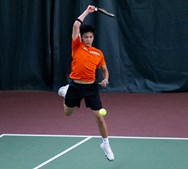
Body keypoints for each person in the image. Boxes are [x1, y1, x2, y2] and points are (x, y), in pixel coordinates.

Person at [58, 5, 114, 161]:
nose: (88, 39)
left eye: (91, 37)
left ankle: (106, 144)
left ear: (93, 38)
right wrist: (88, 12)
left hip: (91, 87)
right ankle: (65, 92)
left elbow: (105, 69)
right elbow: (76, 25)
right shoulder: (76, 46)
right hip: (75, 86)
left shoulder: (98, 53)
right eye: (86, 37)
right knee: (67, 114)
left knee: (99, 117)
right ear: (81, 38)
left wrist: (106, 79)